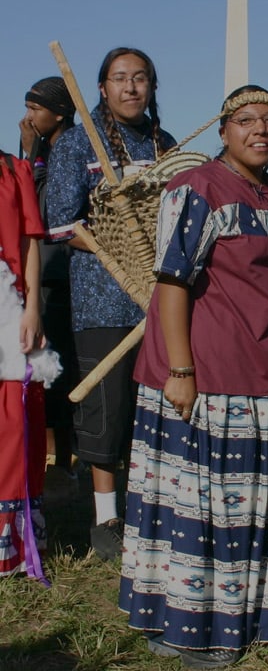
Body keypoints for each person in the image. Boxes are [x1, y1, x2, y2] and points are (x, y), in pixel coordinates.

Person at [121, 86, 268, 667]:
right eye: (246, 120)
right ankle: (188, 628)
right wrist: (180, 369)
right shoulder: (196, 189)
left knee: (243, 509)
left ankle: (239, 618)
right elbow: (172, 283)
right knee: (200, 509)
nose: (261, 131)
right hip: (204, 372)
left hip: (259, 369)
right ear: (223, 131)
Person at [43, 47, 175, 561]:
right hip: (102, 297)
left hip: (161, 299)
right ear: (101, 88)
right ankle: (106, 518)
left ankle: (152, 507)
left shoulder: (165, 145)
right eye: (120, 78)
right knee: (106, 409)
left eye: (140, 78)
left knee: (155, 408)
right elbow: (59, 221)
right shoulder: (79, 143)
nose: (131, 87)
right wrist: (115, 246)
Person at [1, 148, 57, 583]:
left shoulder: (12, 170)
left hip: (8, 305)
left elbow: (29, 240)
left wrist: (33, 306)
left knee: (14, 428)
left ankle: (13, 549)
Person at [21, 76, 77, 478]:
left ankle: (67, 458)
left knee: (64, 367)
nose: (28, 118)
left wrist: (30, 155)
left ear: (59, 113)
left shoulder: (67, 152)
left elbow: (44, 212)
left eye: (35, 109)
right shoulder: (44, 150)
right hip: (44, 275)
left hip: (65, 275)